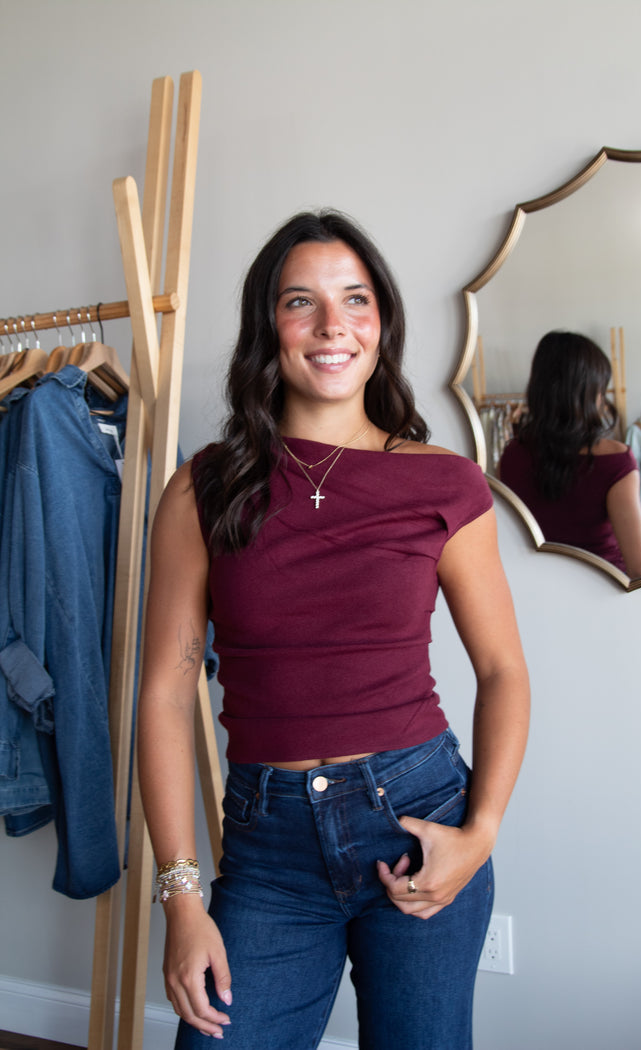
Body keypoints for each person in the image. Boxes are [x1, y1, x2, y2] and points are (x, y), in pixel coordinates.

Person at [138, 209, 530, 1050]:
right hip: (267, 853)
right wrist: (180, 896)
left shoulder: (447, 486)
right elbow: (167, 693)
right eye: (299, 302)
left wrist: (480, 832)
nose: (331, 327)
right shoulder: (201, 489)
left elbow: (501, 671)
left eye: (355, 299)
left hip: (418, 821)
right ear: (266, 328)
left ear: (381, 323)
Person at [498, 330, 641, 578]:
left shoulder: (512, 455)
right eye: (601, 391)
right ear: (587, 393)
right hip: (604, 594)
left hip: (535, 592)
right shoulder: (616, 462)